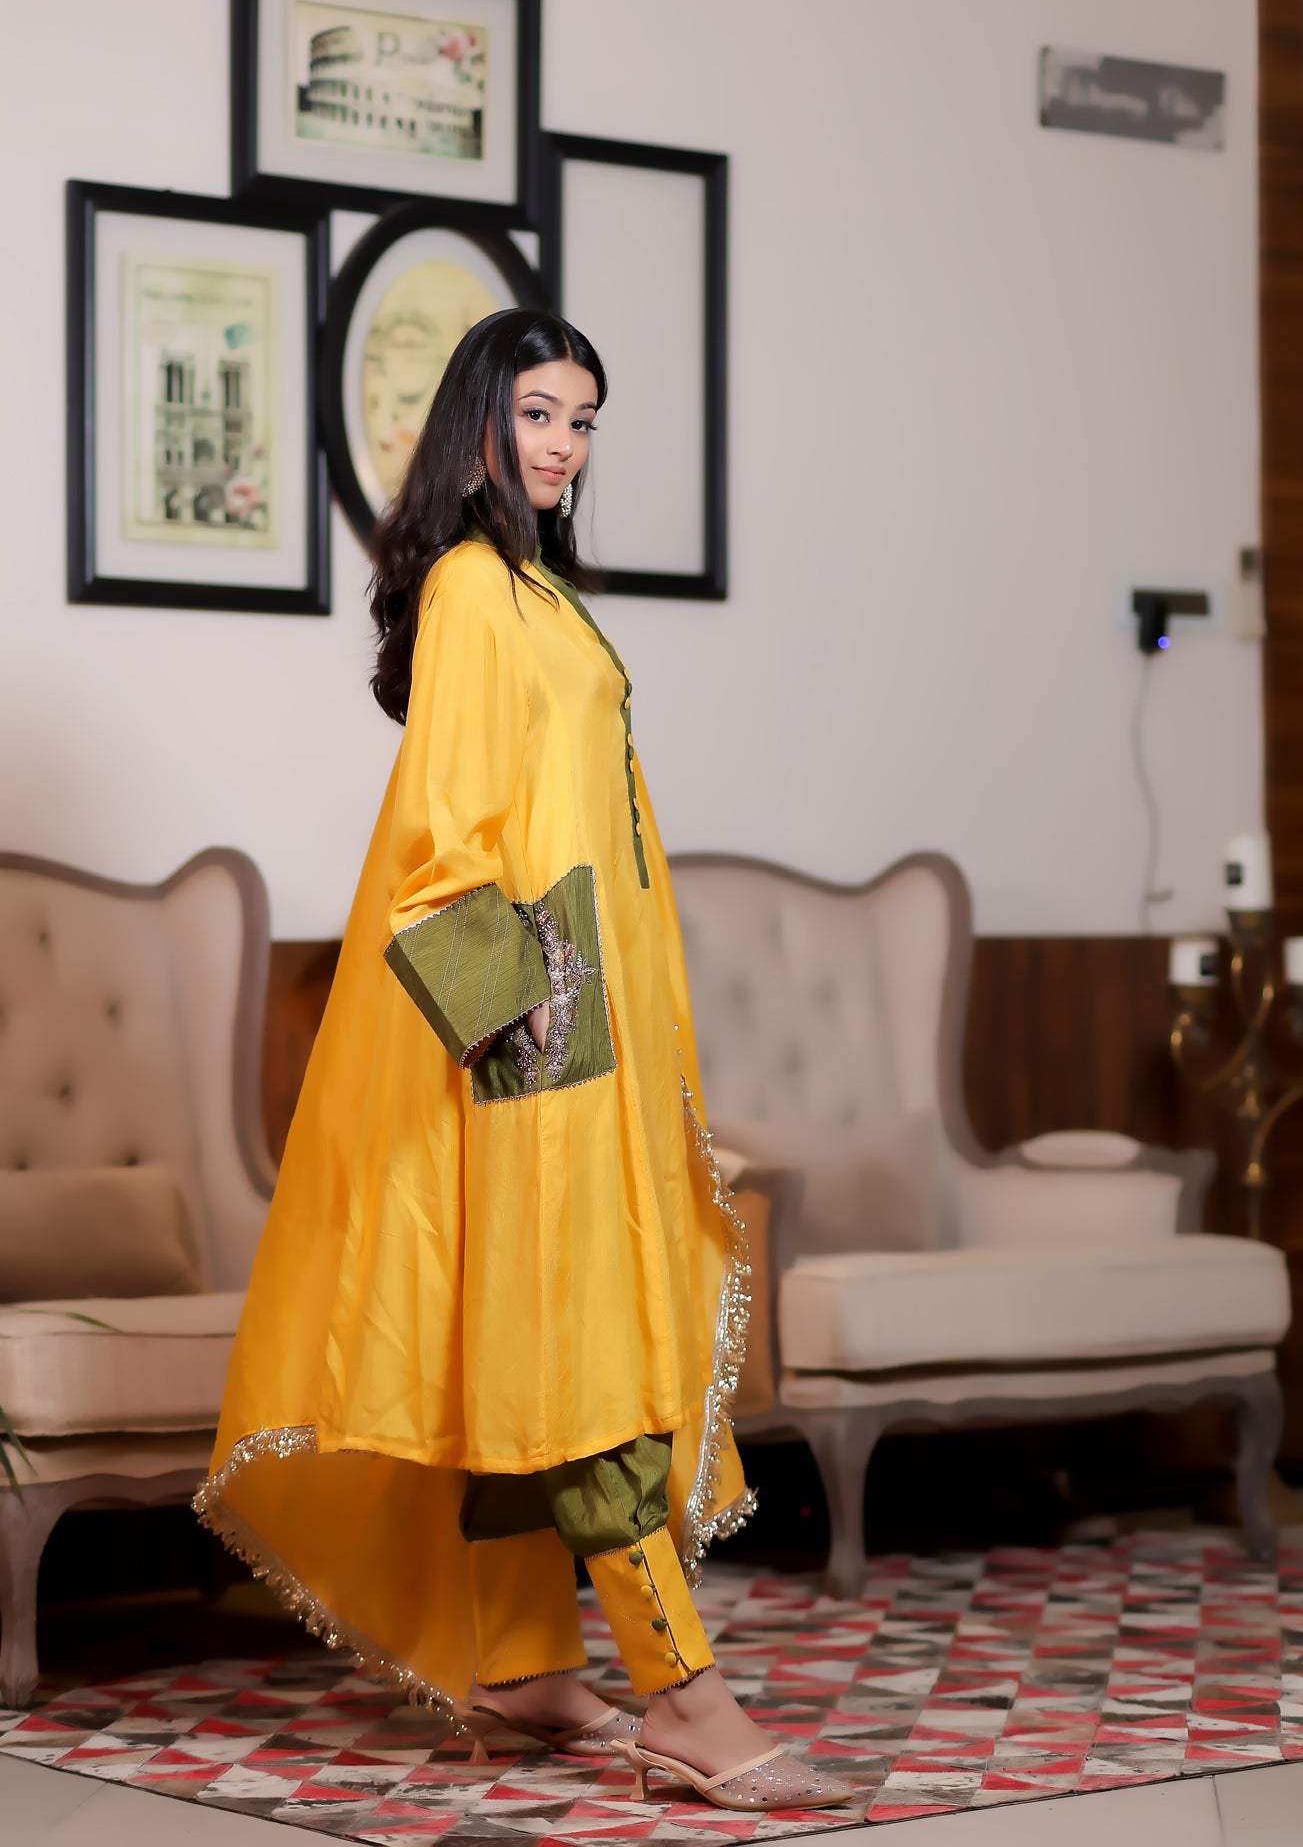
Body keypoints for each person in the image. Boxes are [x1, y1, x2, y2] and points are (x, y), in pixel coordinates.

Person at [196, 310, 854, 1815]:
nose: (564, 445)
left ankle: (516, 1663)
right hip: (534, 1029)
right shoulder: (470, 589)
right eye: (541, 413)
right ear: (479, 422)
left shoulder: (535, 587)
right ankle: (682, 1694)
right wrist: (521, 1025)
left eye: (584, 421)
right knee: (574, 1358)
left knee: (533, 1345)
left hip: (588, 1020)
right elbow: (443, 841)